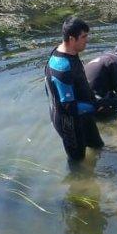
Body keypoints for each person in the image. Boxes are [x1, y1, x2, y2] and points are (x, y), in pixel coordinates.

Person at [44, 17, 104, 162]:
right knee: (78, 163)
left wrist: (95, 99)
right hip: (68, 123)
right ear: (71, 39)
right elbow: (69, 107)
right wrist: (96, 106)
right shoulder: (61, 67)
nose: (87, 40)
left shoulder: (71, 52)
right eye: (83, 37)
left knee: (97, 146)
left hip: (83, 112)